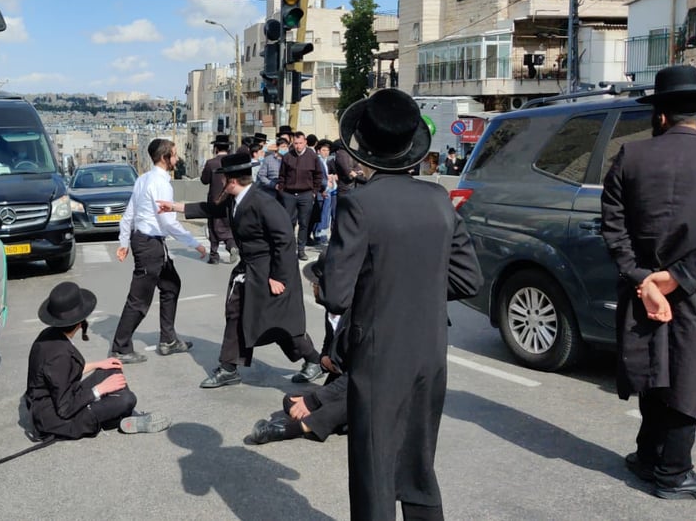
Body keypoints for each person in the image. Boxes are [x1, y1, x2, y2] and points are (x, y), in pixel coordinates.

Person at [321, 88, 483, 521]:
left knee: (375, 470)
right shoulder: (438, 200)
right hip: (430, 353)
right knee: (417, 466)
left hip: (379, 356)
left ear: (365, 149)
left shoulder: (358, 204)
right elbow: (469, 278)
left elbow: (337, 293)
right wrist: (418, 286)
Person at [600, 64, 696, 500]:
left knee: (654, 364)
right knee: (689, 374)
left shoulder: (630, 157)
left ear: (661, 115)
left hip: (644, 284)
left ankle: (648, 456)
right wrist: (679, 278)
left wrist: (646, 279)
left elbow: (613, 229)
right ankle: (673, 473)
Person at [161, 152, 323, 389]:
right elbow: (211, 209)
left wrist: (278, 277)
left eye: (224, 179)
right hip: (248, 269)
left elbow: (284, 241)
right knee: (236, 315)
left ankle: (313, 359)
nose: (222, 184)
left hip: (269, 271)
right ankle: (229, 367)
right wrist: (174, 206)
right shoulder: (234, 200)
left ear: (232, 181)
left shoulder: (263, 202)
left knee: (278, 322)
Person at [25, 282, 170, 440]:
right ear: (80, 322)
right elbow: (65, 409)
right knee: (127, 399)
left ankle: (118, 413)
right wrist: (99, 390)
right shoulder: (59, 356)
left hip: (62, 396)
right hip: (55, 418)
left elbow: (60, 375)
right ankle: (124, 418)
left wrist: (98, 364)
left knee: (111, 370)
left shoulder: (49, 335)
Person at [111, 138, 207, 364]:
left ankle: (168, 340)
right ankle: (121, 347)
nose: (177, 158)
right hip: (149, 245)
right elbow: (168, 223)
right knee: (139, 299)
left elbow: (128, 215)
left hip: (147, 242)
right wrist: (196, 243)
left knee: (171, 284)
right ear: (165, 158)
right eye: (174, 154)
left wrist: (124, 242)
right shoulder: (161, 184)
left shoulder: (143, 179)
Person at [250, 257, 348, 445]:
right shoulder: (332, 311)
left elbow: (360, 376)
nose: (313, 287)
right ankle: (332, 421)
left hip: (366, 387)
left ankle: (290, 429)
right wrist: (325, 360)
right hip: (341, 380)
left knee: (345, 403)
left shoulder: (357, 316)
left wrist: (313, 401)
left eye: (316, 284)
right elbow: (329, 346)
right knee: (292, 401)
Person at [277, 131, 323, 260]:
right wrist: (282, 191)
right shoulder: (287, 157)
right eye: (296, 143)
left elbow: (318, 176)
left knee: (304, 223)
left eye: (301, 143)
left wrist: (314, 192)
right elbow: (282, 176)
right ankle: (289, 249)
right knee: (289, 223)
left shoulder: (312, 156)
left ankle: (301, 250)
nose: (298, 146)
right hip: (289, 194)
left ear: (305, 143)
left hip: (306, 194)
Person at [201, 135, 237, 264]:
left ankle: (214, 255)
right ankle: (232, 246)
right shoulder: (233, 161)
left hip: (214, 200)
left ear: (215, 148)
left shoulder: (211, 163)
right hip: (230, 199)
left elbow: (204, 180)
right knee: (228, 226)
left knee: (213, 226)